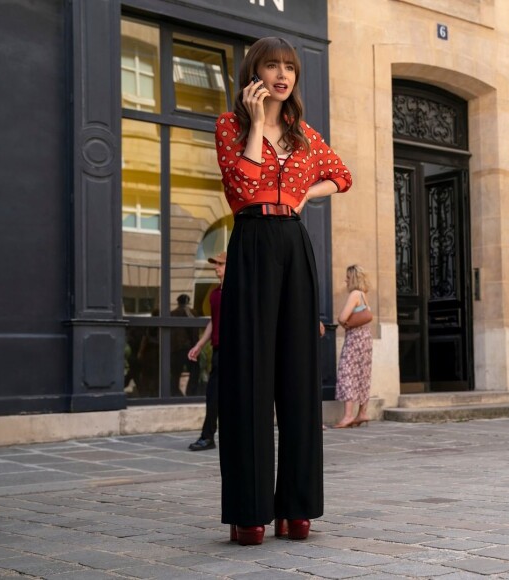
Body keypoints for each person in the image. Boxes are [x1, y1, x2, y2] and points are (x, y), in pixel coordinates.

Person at [215, 36, 353, 546]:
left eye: (289, 67)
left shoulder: (304, 134)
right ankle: (249, 512)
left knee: (298, 375)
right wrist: (255, 126)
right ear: (254, 72)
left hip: (294, 245)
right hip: (250, 240)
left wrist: (300, 195)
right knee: (248, 377)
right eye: (271, 65)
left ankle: (297, 507)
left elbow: (342, 176)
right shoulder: (229, 127)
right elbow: (245, 185)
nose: (282, 74)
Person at [187, 252, 226, 451]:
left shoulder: (240, 291)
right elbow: (213, 321)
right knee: (213, 396)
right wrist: (200, 345)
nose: (216, 267)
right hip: (219, 351)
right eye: (215, 264)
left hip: (236, 353)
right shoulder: (215, 293)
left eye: (220, 264)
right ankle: (207, 436)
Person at [333, 265, 373, 429]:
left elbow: (342, 317)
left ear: (354, 279)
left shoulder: (355, 294)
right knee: (363, 374)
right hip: (366, 339)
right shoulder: (364, 295)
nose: (345, 280)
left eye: (348, 278)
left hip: (354, 339)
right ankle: (362, 412)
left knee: (347, 372)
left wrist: (344, 322)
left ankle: (348, 416)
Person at [170, 294, 199, 396]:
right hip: (188, 348)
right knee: (194, 371)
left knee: (175, 374)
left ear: (178, 302)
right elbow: (194, 331)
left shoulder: (172, 314)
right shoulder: (192, 313)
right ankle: (190, 393)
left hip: (175, 349)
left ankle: (174, 393)